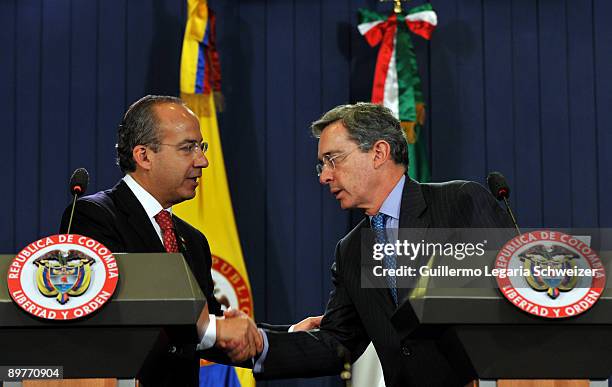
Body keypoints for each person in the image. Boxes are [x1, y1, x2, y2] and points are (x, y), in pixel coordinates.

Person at [251, 102, 514, 387]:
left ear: (378, 153)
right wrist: (242, 341)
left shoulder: (459, 204)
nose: (324, 176)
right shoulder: (351, 250)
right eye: (322, 164)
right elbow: (336, 343)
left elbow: (518, 298)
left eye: (333, 159)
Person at [59, 95, 262, 387]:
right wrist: (214, 330)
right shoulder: (93, 217)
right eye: (188, 148)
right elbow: (122, 312)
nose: (202, 160)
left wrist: (283, 336)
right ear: (144, 156)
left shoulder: (193, 240)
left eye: (200, 147)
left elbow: (213, 327)